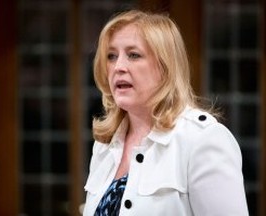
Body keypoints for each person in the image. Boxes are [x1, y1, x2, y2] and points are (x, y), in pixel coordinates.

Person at [83, 10, 249, 216]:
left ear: (165, 66)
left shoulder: (202, 139)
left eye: (133, 55)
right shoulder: (105, 145)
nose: (119, 67)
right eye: (111, 56)